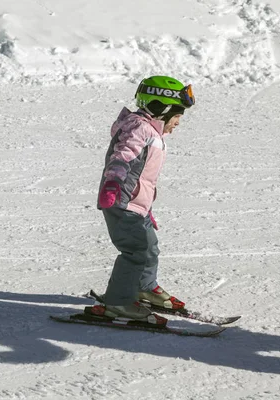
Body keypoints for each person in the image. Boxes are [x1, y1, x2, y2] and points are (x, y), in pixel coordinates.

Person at [91, 75, 195, 323]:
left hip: (137, 204)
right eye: (177, 116)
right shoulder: (138, 129)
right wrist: (113, 184)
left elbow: (143, 176)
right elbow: (122, 157)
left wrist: (146, 208)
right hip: (120, 201)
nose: (178, 123)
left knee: (149, 247)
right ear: (162, 109)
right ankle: (118, 303)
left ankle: (143, 287)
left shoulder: (150, 132)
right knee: (136, 250)